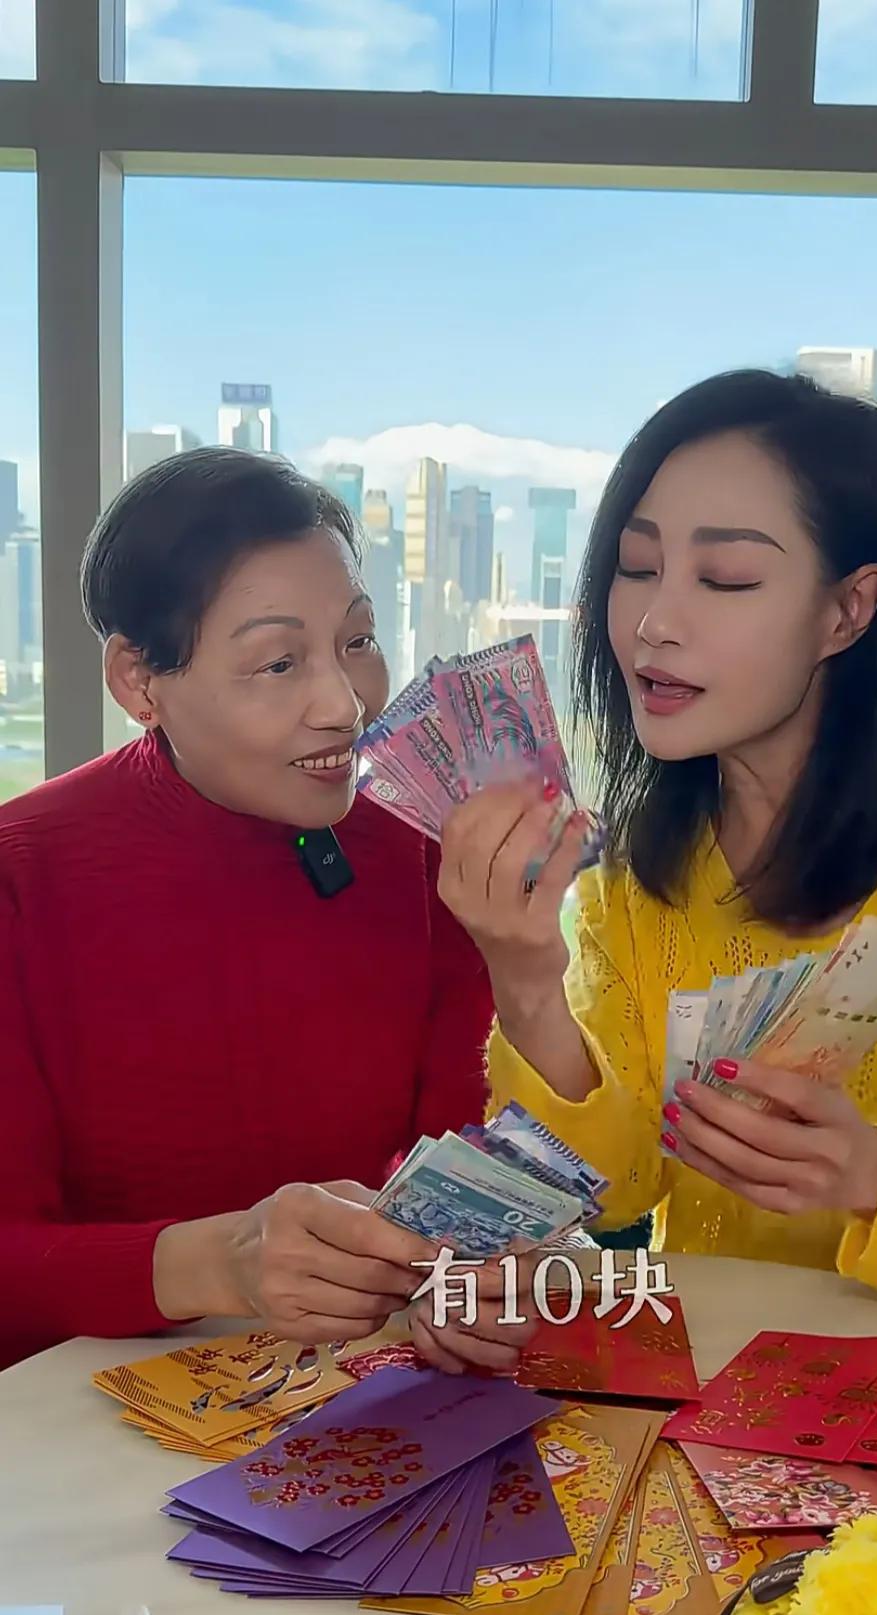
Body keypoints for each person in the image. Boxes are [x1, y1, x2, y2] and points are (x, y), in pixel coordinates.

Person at [439, 370, 877, 1326]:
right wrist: (526, 980)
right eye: (637, 566)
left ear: (849, 609)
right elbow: (609, 1189)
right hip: (726, 1387)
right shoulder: (637, 869)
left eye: (726, 578)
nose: (653, 623)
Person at [0, 448, 527, 1374]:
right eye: (279, 662)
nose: (345, 704)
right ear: (138, 681)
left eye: (357, 640)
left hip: (372, 1394)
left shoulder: (419, 842)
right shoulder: (21, 874)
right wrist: (218, 1263)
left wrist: (474, 1277)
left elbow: (460, 1163)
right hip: (80, 1415)